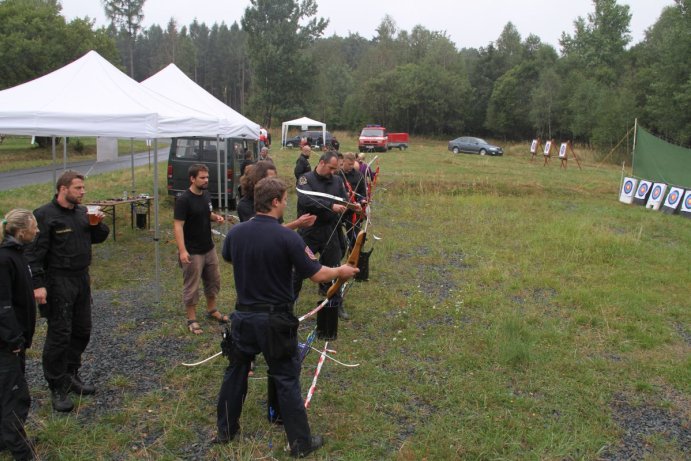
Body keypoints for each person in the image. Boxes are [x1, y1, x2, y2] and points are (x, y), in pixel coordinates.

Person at [217, 177, 358, 457]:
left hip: (243, 318)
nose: (285, 204)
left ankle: (225, 430)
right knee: (285, 377)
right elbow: (317, 273)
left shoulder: (236, 233)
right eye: (283, 200)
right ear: (274, 202)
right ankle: (300, 444)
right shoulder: (288, 237)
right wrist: (340, 271)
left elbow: (230, 257)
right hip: (274, 321)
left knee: (235, 373)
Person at [25, 171, 109, 413]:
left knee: (82, 329)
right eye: (78, 188)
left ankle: (71, 374)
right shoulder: (44, 215)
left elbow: (97, 238)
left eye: (83, 188)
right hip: (58, 280)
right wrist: (38, 284)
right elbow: (33, 254)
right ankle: (56, 385)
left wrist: (99, 224)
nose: (83, 192)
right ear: (63, 189)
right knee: (59, 334)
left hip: (81, 277)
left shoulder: (83, 213)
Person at [295, 152, 360, 319]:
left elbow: (344, 200)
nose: (333, 171)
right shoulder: (305, 179)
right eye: (331, 168)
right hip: (309, 233)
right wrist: (331, 206)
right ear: (321, 163)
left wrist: (353, 207)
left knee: (334, 269)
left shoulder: (337, 180)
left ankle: (335, 304)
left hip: (329, 231)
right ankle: (288, 304)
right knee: (298, 270)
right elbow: (306, 201)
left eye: (335, 168)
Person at [0, 209, 39, 460]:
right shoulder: (4, 260)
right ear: (21, 231)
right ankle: (21, 451)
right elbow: (3, 306)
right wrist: (12, 339)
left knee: (6, 391)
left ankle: (5, 440)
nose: (37, 231)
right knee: (15, 396)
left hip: (15, 339)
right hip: (7, 343)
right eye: (34, 227)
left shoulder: (17, 255)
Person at [173, 164, 227, 335]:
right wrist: (182, 251)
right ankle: (191, 319)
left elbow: (206, 213)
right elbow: (178, 226)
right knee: (192, 285)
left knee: (213, 280)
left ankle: (212, 310)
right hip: (192, 250)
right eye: (202, 177)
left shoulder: (206, 195)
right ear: (192, 178)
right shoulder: (183, 200)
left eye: (207, 177)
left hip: (208, 247)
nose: (206, 180)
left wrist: (215, 217)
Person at [237, 161, 316, 229]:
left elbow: (280, 227)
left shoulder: (273, 200)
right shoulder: (244, 205)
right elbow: (265, 231)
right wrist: (297, 223)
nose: (274, 183)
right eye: (270, 179)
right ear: (257, 180)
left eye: (275, 179)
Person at [339, 152, 368, 250]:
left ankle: (353, 257)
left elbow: (363, 194)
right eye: (349, 164)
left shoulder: (358, 176)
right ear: (343, 162)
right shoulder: (336, 174)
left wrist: (360, 203)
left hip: (353, 210)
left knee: (355, 238)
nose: (351, 167)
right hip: (337, 209)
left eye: (353, 164)